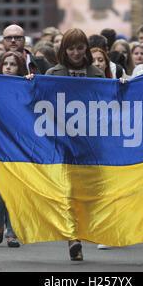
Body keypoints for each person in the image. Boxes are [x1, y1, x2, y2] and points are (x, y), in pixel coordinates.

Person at [37, 28, 105, 261]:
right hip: (62, 143)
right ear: (64, 50)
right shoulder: (53, 73)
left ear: (86, 48)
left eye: (80, 47)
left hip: (89, 143)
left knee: (86, 192)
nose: (76, 52)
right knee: (67, 191)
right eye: (71, 48)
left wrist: (122, 86)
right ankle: (73, 238)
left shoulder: (97, 74)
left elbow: (109, 106)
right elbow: (41, 103)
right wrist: (31, 83)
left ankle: (81, 230)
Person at [0, 51, 29, 248]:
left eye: (13, 64)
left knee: (15, 192)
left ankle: (12, 232)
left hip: (18, 148)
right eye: (5, 64)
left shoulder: (26, 89)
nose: (8, 67)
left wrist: (32, 83)